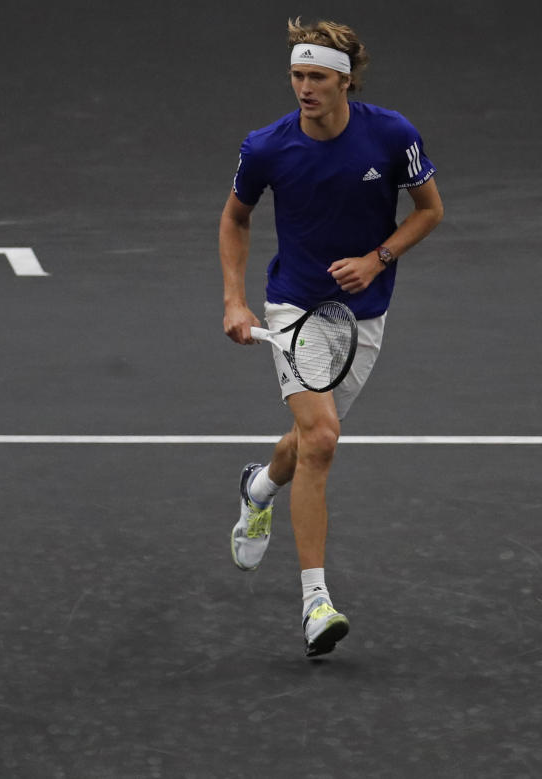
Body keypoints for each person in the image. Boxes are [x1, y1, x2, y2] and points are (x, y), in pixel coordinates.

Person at [219, 19, 443, 657]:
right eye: (297, 75)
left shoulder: (391, 135)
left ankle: (258, 487)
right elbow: (235, 218)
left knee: (309, 440)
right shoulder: (267, 146)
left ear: (345, 80)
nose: (304, 88)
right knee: (321, 439)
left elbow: (429, 210)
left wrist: (378, 257)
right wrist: (235, 300)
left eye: (317, 76)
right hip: (293, 305)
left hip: (363, 313)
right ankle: (315, 601)